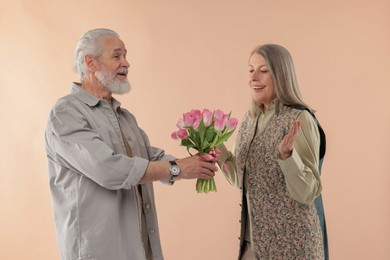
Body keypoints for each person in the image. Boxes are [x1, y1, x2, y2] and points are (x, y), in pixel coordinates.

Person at [44, 28, 217, 260]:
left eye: (125, 55)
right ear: (90, 63)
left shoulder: (124, 117)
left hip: (140, 249)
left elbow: (149, 158)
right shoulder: (65, 113)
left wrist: (196, 164)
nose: (126, 63)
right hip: (98, 252)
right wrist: (177, 168)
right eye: (117, 56)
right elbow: (109, 170)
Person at [217, 44, 327, 259]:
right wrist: (214, 144)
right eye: (251, 70)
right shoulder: (249, 119)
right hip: (252, 244)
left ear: (281, 75)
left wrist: (287, 158)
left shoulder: (299, 119)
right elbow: (242, 179)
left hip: (293, 245)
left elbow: (307, 193)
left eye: (264, 70)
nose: (254, 77)